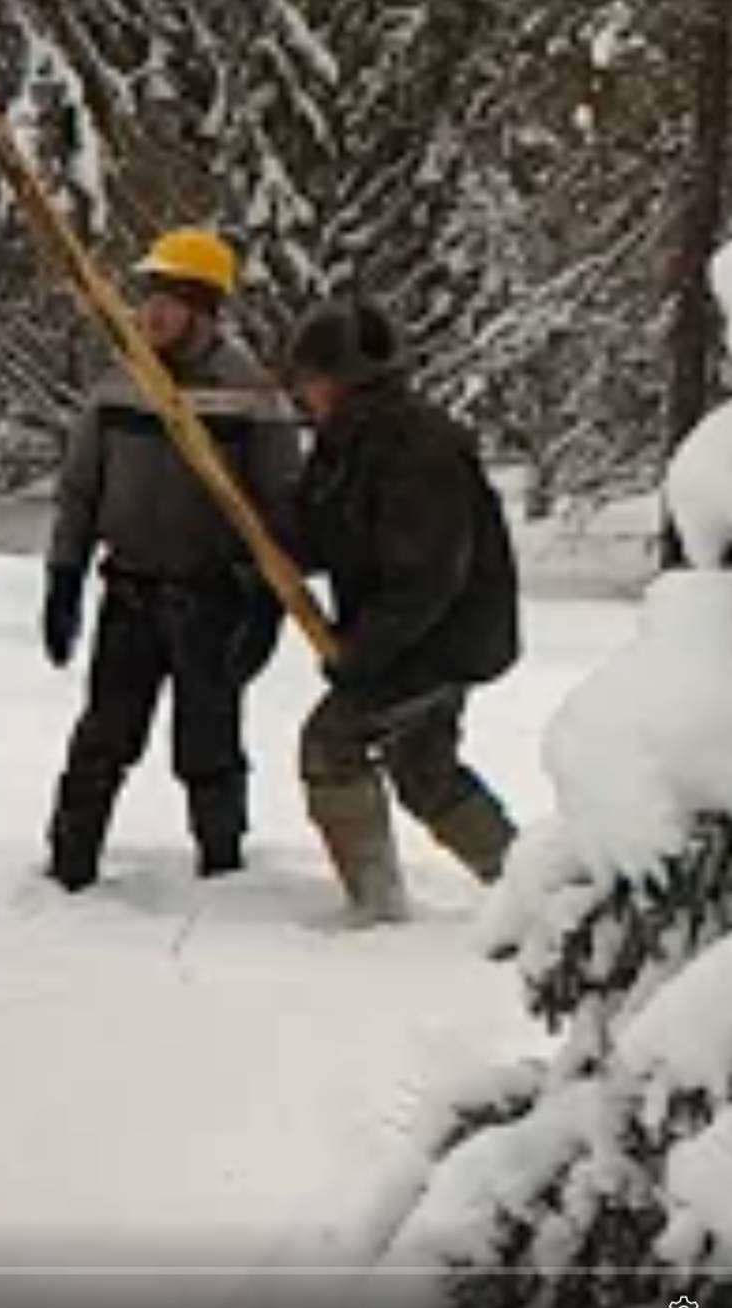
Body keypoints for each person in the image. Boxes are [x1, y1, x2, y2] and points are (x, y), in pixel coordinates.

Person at [42, 228, 301, 891]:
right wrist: (63, 577)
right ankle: (69, 866)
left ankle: (222, 873)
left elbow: (279, 508)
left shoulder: (252, 393)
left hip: (211, 599)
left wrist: (265, 602)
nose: (151, 313)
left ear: (204, 308)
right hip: (127, 594)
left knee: (207, 747)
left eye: (169, 299)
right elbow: (78, 487)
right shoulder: (119, 380)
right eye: (148, 297)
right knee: (103, 737)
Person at [284, 298, 519, 925]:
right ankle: (533, 892)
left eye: (312, 378)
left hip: (440, 642)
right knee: (425, 768)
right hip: (408, 637)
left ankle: (376, 905)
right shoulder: (340, 445)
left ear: (346, 381)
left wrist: (363, 653)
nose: (303, 392)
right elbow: (316, 531)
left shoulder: (419, 450)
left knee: (332, 745)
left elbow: (425, 577)